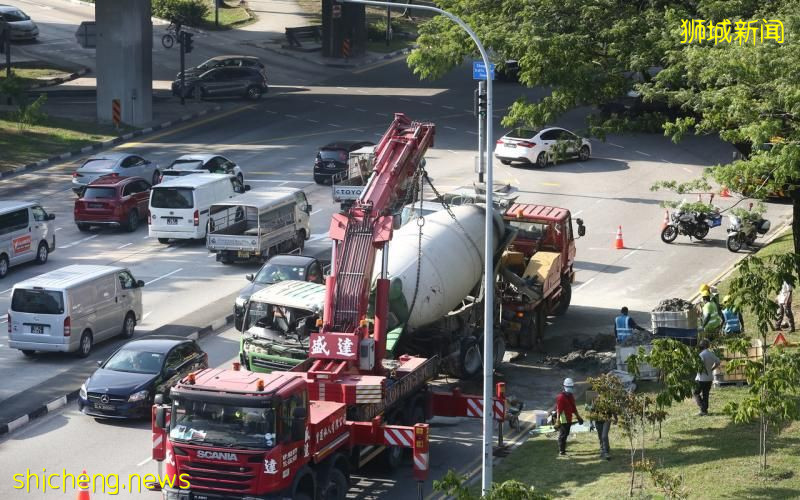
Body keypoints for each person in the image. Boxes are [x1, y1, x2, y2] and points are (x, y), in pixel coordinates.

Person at [555, 378, 584, 456]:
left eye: (571, 387)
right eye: (569, 387)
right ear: (565, 387)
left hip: (569, 417)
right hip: (563, 417)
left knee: (566, 433)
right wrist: (557, 421)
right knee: (563, 434)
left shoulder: (570, 396)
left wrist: (578, 417)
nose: (571, 388)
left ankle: (563, 449)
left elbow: (573, 407)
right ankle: (561, 450)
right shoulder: (561, 397)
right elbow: (559, 410)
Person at [693, 339, 720, 416]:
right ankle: (704, 411)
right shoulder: (711, 354)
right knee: (706, 394)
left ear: (702, 346)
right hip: (709, 378)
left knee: (695, 393)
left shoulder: (701, 355)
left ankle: (703, 407)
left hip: (701, 378)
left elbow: (699, 365)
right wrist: (712, 369)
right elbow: (718, 362)